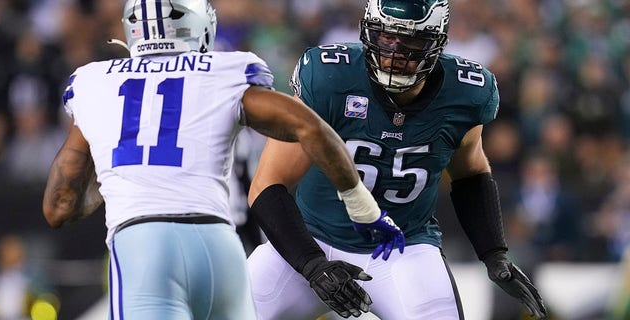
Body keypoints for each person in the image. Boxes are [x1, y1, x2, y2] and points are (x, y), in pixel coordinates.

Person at [41, 1, 405, 319]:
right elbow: (310, 128)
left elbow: (59, 207)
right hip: (218, 244)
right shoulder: (223, 72)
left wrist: (123, 176)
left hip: (143, 243)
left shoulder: (94, 82)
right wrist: (361, 206)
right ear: (200, 26)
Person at [246, 0, 548, 319]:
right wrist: (312, 264)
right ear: (367, 33)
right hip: (311, 239)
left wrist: (494, 253)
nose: (394, 52)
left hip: (404, 250)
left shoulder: (466, 93)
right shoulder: (331, 78)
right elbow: (268, 184)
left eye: (410, 41)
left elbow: (470, 174)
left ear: (437, 43)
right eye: (386, 37)